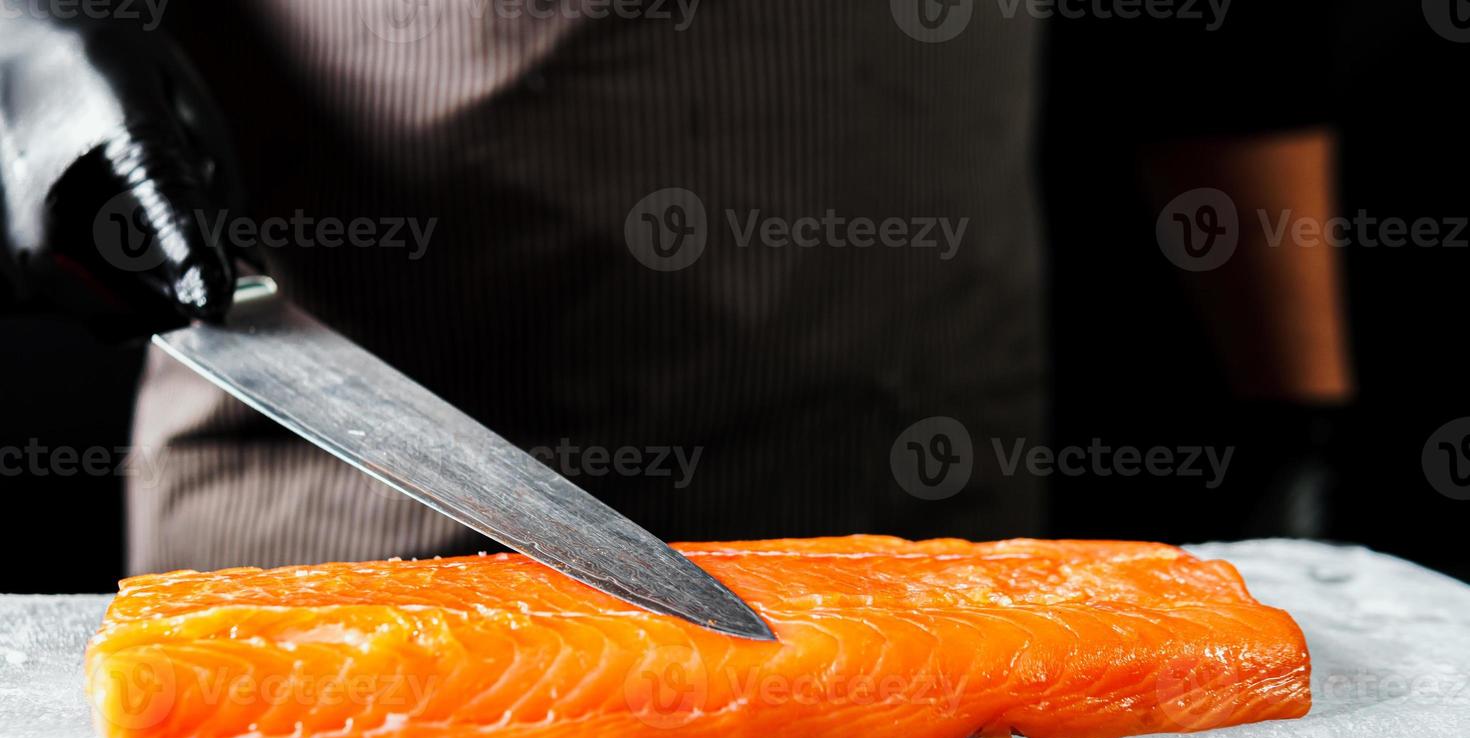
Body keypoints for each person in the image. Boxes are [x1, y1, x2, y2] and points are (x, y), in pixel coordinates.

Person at [0, 1, 1349, 574]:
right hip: (364, 539)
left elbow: (1223, 45)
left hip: (927, 525)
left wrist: (1293, 415)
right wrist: (30, 53)